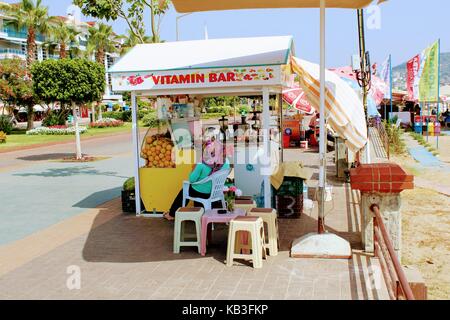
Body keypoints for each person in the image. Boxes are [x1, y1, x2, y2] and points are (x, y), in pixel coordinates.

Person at [163, 140, 230, 221]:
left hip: (201, 192)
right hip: (216, 192)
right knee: (193, 188)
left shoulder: (202, 163)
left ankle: (172, 214)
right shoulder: (226, 162)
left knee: (185, 189)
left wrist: (194, 168)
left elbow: (192, 180)